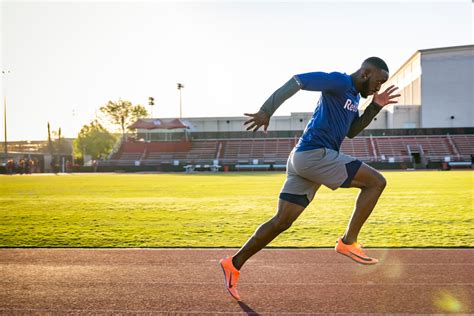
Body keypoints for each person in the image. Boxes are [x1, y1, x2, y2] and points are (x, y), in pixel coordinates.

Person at [219, 57, 400, 301]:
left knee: (281, 222)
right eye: (378, 82)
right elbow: (298, 81)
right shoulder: (338, 81)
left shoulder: (354, 97)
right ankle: (349, 241)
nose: (378, 88)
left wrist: (375, 106)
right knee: (376, 182)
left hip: (303, 158)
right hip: (316, 155)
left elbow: (352, 132)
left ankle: (234, 263)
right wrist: (266, 109)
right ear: (366, 73)